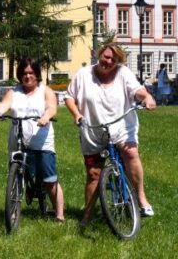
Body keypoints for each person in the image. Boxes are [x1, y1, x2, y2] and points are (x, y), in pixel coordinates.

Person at [64, 42, 157, 225]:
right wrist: (76, 114)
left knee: (130, 153)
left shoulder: (123, 73)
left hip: (121, 127)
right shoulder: (83, 75)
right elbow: (69, 97)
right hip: (92, 130)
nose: (108, 61)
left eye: (113, 60)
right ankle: (88, 215)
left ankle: (140, 198)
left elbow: (137, 90)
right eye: (106, 57)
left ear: (118, 62)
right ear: (99, 54)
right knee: (93, 174)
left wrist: (146, 97)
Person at [0, 58, 64, 222]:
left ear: (37, 74)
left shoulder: (45, 91)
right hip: (18, 140)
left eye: (31, 73)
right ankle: (13, 211)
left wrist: (46, 117)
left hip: (42, 142)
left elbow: (52, 107)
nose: (27, 76)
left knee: (49, 180)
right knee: (16, 177)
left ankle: (59, 215)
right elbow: (4, 105)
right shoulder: (14, 92)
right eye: (24, 73)